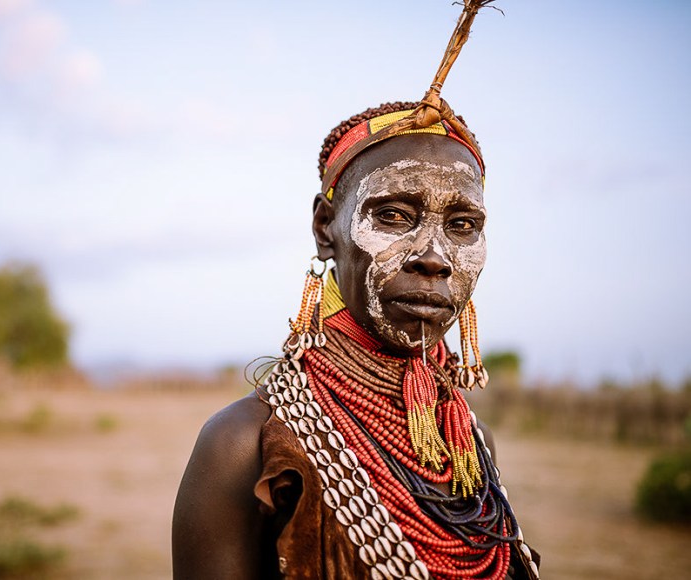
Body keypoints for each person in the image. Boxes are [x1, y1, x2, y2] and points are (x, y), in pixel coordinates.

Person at [173, 2, 540, 578]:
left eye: (463, 225)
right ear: (326, 228)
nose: (435, 258)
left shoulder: (473, 443)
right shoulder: (243, 446)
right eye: (394, 215)